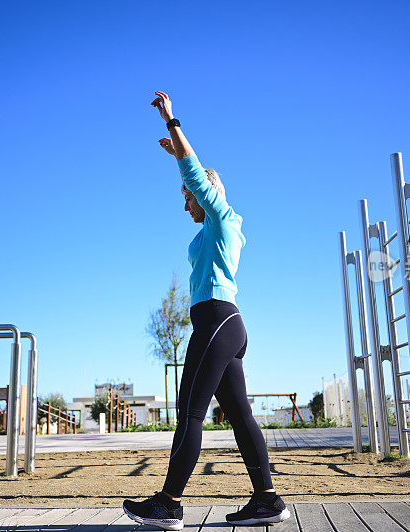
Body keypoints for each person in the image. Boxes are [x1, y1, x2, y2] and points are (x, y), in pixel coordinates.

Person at [122, 91, 290, 530]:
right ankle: (267, 499)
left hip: (218, 321)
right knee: (239, 416)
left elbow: (198, 178)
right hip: (225, 325)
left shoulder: (223, 219)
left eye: (188, 198)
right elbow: (193, 177)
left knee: (190, 413)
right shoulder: (211, 231)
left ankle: (169, 504)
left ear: (206, 196)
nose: (185, 205)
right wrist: (176, 152)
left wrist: (172, 123)